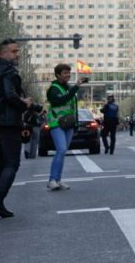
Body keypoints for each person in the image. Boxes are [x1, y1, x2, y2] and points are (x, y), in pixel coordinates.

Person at [0, 38, 38, 218]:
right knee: (11, 163)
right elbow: (9, 95)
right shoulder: (7, 70)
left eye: (17, 51)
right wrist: (24, 103)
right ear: (3, 53)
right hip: (8, 123)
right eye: (14, 52)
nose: (17, 55)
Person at [46, 63, 88, 191]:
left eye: (69, 73)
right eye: (65, 73)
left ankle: (58, 180)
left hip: (68, 124)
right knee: (61, 150)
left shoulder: (68, 87)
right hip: (57, 123)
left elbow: (73, 106)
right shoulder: (53, 89)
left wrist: (76, 123)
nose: (68, 75)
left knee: (63, 152)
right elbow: (61, 100)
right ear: (58, 75)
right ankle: (52, 180)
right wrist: (76, 87)